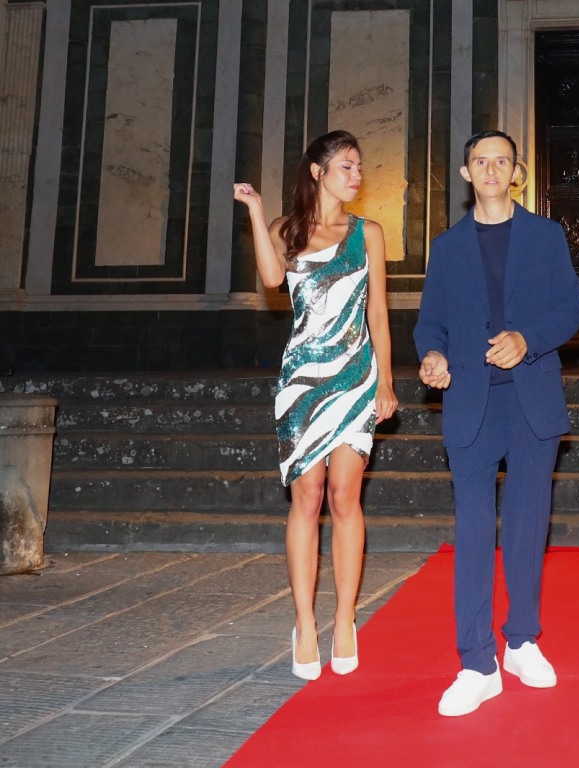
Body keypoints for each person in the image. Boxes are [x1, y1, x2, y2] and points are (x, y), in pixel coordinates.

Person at [414, 130, 579, 717]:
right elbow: (430, 322)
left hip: (532, 400)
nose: (491, 169)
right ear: (466, 173)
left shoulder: (546, 235)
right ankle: (476, 663)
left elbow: (570, 310)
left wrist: (526, 339)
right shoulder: (447, 247)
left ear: (517, 172)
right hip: (471, 403)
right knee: (472, 531)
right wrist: (432, 356)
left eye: (501, 161)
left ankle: (522, 640)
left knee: (528, 527)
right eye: (480, 161)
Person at [233, 130, 398, 681]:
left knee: (345, 495)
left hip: (354, 376)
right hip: (303, 381)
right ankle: (305, 623)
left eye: (359, 167)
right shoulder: (288, 229)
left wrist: (385, 382)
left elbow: (379, 312)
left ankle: (345, 618)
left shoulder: (368, 233)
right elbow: (271, 279)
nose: (356, 175)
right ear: (317, 171)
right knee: (306, 497)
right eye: (347, 166)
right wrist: (257, 212)